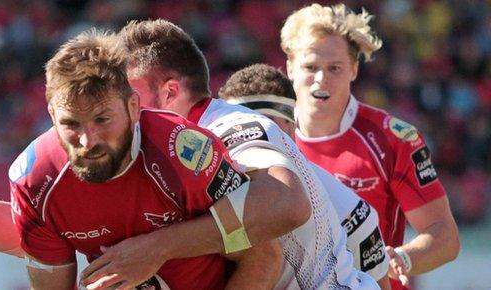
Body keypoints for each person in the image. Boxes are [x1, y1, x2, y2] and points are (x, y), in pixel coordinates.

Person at [0, 31, 286, 290]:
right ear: (50, 115)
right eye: (70, 123)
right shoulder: (34, 178)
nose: (87, 139)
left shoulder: (184, 151)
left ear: (132, 108)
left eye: (102, 119)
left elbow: (263, 255)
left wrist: (158, 248)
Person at [81, 19, 379, 289]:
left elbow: (286, 203)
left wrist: (157, 248)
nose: (124, 111)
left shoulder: (230, 128)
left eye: (131, 98)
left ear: (170, 92)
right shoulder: (173, 153)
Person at [279, 3, 460, 289]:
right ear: (290, 68)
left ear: (353, 69)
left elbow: (445, 237)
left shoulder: (393, 139)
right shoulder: (271, 136)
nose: (321, 79)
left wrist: (402, 258)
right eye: (310, 67)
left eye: (334, 68)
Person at [219, 63, 391, 289]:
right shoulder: (211, 184)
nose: (246, 141)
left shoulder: (350, 212)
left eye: (262, 126)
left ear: (292, 128)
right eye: (233, 128)